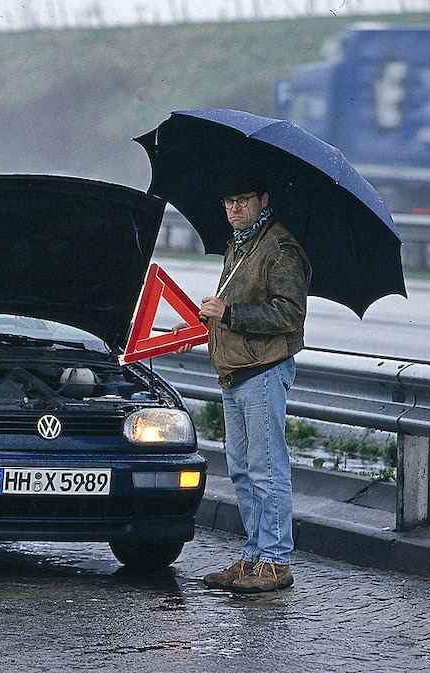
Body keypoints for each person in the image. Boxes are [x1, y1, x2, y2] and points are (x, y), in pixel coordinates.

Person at [173, 164, 311, 593]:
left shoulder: (279, 248)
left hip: (263, 371)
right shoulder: (240, 244)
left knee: (266, 469)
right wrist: (196, 329)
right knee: (242, 472)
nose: (234, 209)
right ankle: (254, 555)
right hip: (235, 374)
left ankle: (276, 560)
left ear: (262, 201)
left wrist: (228, 314)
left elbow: (290, 314)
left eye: (242, 201)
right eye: (229, 202)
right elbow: (227, 309)